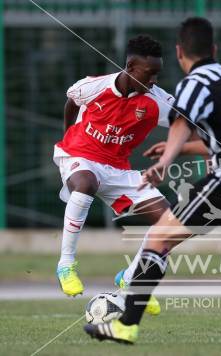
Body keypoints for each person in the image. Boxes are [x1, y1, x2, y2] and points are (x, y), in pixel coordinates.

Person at [84, 17, 221, 345]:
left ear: (179, 51)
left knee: (158, 238)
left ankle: (126, 325)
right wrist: (182, 150)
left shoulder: (194, 83)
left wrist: (167, 160)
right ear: (214, 49)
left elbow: (181, 122)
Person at [54, 34, 179, 315]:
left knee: (170, 223)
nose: (153, 81)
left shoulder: (157, 101)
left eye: (157, 74)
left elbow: (184, 123)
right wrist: (68, 137)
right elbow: (72, 101)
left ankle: (132, 279)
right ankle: (66, 264)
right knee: (84, 183)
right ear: (131, 66)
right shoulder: (93, 86)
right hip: (79, 155)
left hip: (117, 169)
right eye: (149, 74)